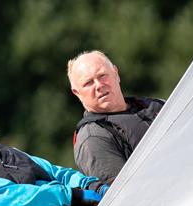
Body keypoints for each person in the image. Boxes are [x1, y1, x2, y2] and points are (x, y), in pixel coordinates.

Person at [68, 50, 165, 185]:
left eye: (102, 75)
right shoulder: (93, 138)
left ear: (116, 74)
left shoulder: (156, 105)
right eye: (88, 83)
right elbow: (126, 197)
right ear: (77, 92)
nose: (99, 85)